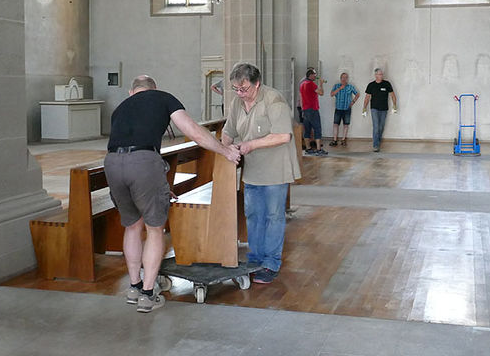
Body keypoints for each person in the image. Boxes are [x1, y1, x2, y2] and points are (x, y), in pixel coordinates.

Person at [104, 75, 241, 313]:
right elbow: (193, 131)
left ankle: (134, 286)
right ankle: (148, 294)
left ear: (131, 92)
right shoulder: (163, 98)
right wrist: (224, 150)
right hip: (144, 163)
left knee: (132, 225)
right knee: (154, 228)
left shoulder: (121, 108)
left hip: (112, 163)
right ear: (154, 90)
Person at [222, 63, 301, 284]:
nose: (240, 93)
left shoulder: (273, 100)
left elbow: (283, 136)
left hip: (276, 168)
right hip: (253, 170)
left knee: (273, 216)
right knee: (253, 215)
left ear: (257, 84)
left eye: (244, 88)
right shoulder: (237, 102)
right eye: (236, 89)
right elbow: (228, 131)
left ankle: (271, 263)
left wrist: (250, 145)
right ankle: (255, 259)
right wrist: (223, 148)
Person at [362, 68, 398, 152]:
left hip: (384, 109)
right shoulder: (371, 85)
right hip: (374, 108)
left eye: (382, 74)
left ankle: (378, 140)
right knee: (376, 126)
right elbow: (367, 97)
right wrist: (364, 108)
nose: (381, 76)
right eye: (379, 74)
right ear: (376, 75)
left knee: (381, 127)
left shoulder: (387, 84)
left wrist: (394, 105)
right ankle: (376, 145)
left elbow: (393, 95)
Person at [299, 67, 328, 156]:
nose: (315, 76)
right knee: (317, 128)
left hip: (305, 109)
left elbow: (301, 97)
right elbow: (321, 93)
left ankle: (308, 149)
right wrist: (321, 84)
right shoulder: (311, 84)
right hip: (313, 109)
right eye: (314, 75)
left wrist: (302, 108)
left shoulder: (302, 84)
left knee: (307, 129)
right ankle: (319, 149)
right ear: (310, 75)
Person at [329, 72, 359, 146]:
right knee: (336, 124)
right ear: (340, 78)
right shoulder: (336, 86)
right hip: (338, 108)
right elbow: (332, 94)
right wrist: (339, 88)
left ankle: (343, 140)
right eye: (343, 77)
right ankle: (335, 140)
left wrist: (353, 101)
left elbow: (357, 94)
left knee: (346, 124)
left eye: (346, 77)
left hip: (347, 108)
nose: (344, 79)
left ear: (347, 79)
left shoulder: (350, 86)